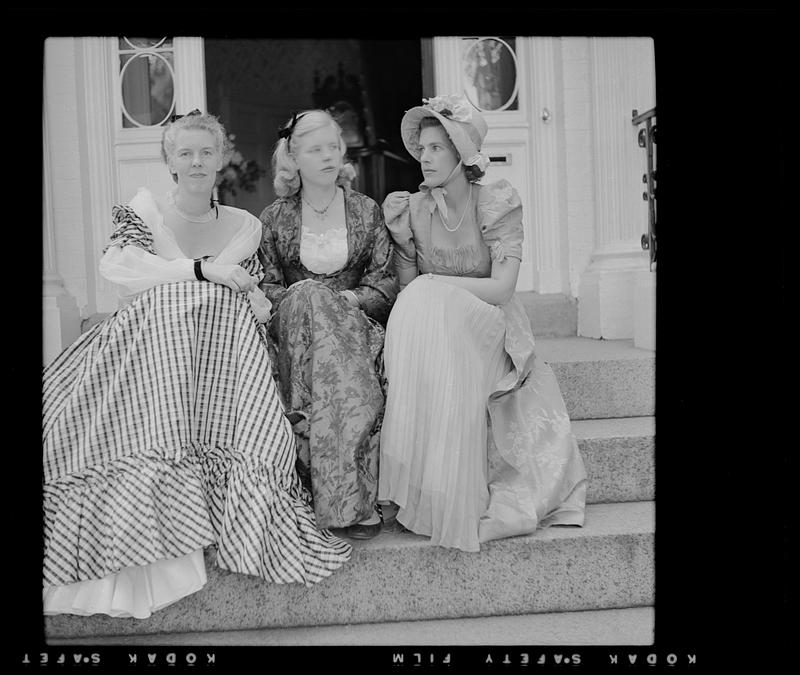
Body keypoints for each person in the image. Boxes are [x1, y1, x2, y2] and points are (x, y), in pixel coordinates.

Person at [42, 110, 351, 620]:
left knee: (223, 311)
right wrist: (200, 271)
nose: (196, 162)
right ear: (169, 160)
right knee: (173, 305)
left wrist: (217, 286)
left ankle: (223, 495)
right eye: (185, 152)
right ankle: (158, 498)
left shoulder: (242, 228)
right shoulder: (144, 215)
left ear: (222, 159)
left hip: (214, 363)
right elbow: (123, 271)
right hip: (150, 345)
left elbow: (252, 302)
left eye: (207, 152)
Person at [378, 94, 588, 552]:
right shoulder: (416, 208)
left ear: (461, 155)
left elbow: (502, 290)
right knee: (419, 302)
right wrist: (402, 244)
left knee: (431, 300)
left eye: (437, 148)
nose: (425, 157)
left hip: (493, 327)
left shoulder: (495, 200)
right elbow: (410, 288)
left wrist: (437, 282)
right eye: (424, 148)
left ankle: (458, 491)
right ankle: (429, 486)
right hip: (442, 329)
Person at [258, 110, 398, 540]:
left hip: (354, 327)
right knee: (307, 294)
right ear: (293, 157)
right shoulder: (275, 217)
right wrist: (314, 300)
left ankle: (335, 493)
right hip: (297, 335)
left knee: (326, 318)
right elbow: (266, 287)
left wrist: (346, 301)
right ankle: (351, 502)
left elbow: (385, 281)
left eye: (333, 147)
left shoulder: (365, 210)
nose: (327, 156)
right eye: (314, 149)